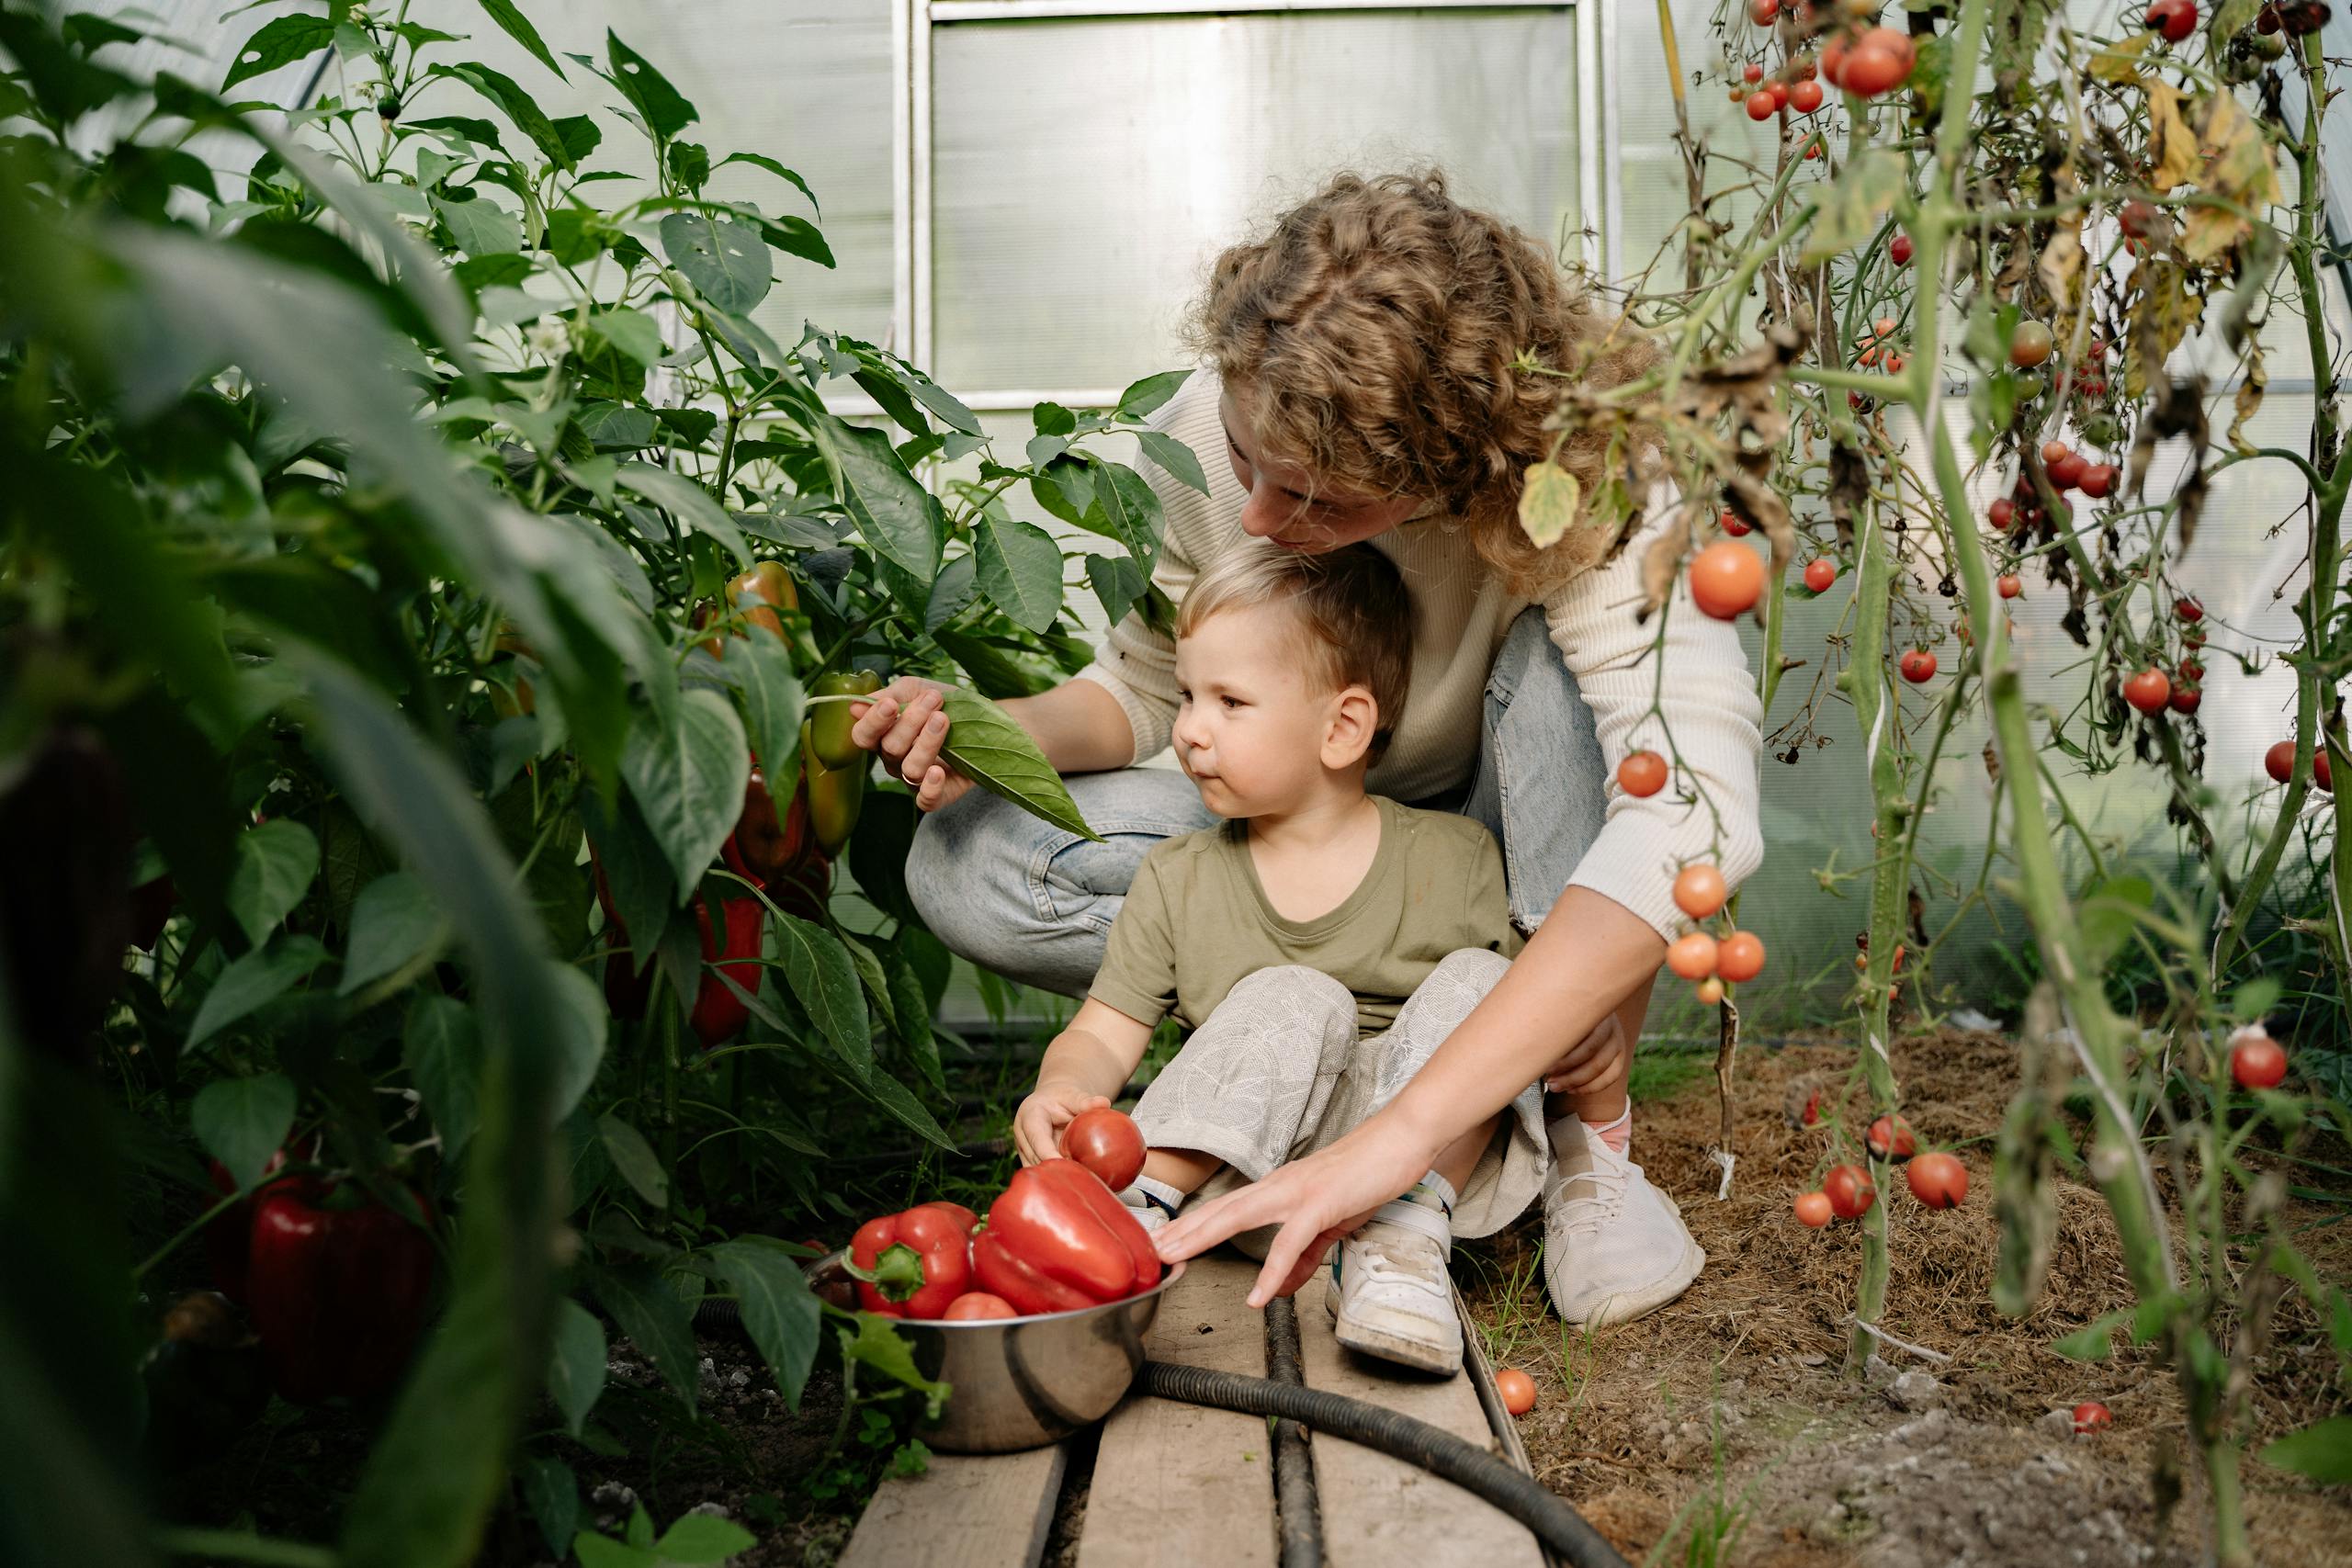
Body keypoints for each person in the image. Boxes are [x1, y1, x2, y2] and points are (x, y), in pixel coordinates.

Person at [851, 169, 1763, 1322]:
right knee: (969, 855)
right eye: (1248, 468)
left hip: (1496, 856)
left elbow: (1695, 812)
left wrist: (1406, 1137)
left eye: (1324, 503)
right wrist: (983, 731)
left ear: (1452, 474)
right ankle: (1314, 1050)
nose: (1265, 525)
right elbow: (1143, 690)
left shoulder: (1592, 477)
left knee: (1582, 704)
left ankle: (1578, 1135)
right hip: (1296, 824)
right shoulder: (1205, 430)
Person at [1010, 543, 1542, 1375]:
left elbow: (1524, 1040)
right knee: (1299, 994)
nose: (1188, 728)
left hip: (1414, 1170)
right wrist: (1060, 1089)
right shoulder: (1177, 878)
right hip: (1240, 1170)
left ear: (1343, 727)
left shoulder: (1457, 860)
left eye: (1229, 701)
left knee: (1491, 986)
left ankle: (1398, 1247)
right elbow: (1103, 1034)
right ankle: (1140, 1211)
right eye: (1187, 695)